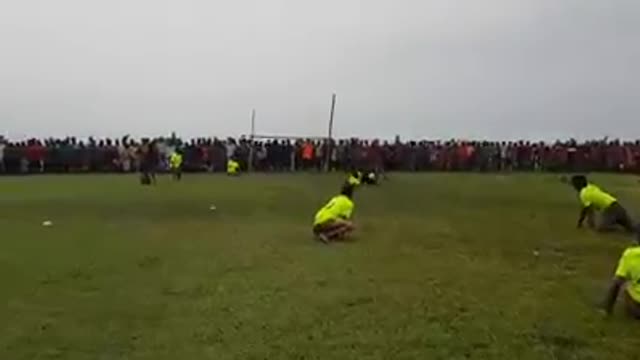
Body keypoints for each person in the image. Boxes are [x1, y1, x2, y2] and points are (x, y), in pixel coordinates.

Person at [570, 175, 639, 235]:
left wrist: (580, 223)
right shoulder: (591, 186)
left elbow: (586, 210)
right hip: (617, 205)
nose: (574, 187)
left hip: (610, 210)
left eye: (574, 184)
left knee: (601, 229)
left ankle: (615, 225)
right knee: (632, 228)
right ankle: (617, 222)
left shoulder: (583, 194)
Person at [601, 243, 640, 318]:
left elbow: (617, 283)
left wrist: (607, 308)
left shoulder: (630, 254)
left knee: (625, 282)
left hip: (636, 308)